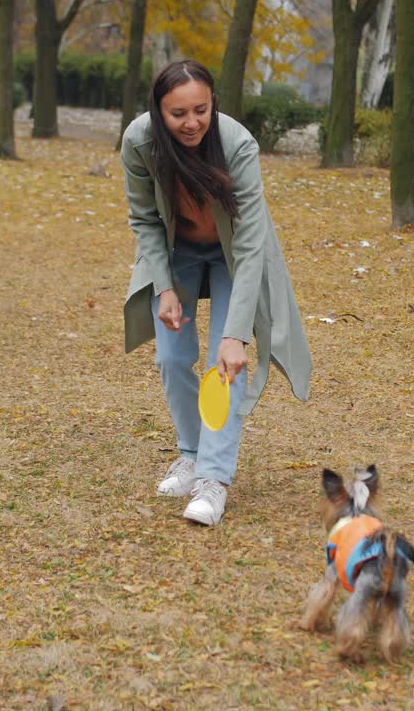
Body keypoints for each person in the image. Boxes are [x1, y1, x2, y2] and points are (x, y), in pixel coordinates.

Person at [120, 60, 311, 526]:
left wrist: (236, 334)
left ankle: (213, 478)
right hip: (176, 254)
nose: (192, 123)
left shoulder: (236, 144)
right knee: (170, 356)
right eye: (178, 113)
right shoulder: (139, 141)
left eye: (201, 110)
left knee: (223, 364)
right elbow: (145, 219)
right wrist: (163, 287)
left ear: (213, 105)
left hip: (233, 258)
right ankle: (190, 454)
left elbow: (249, 245)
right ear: (158, 112)